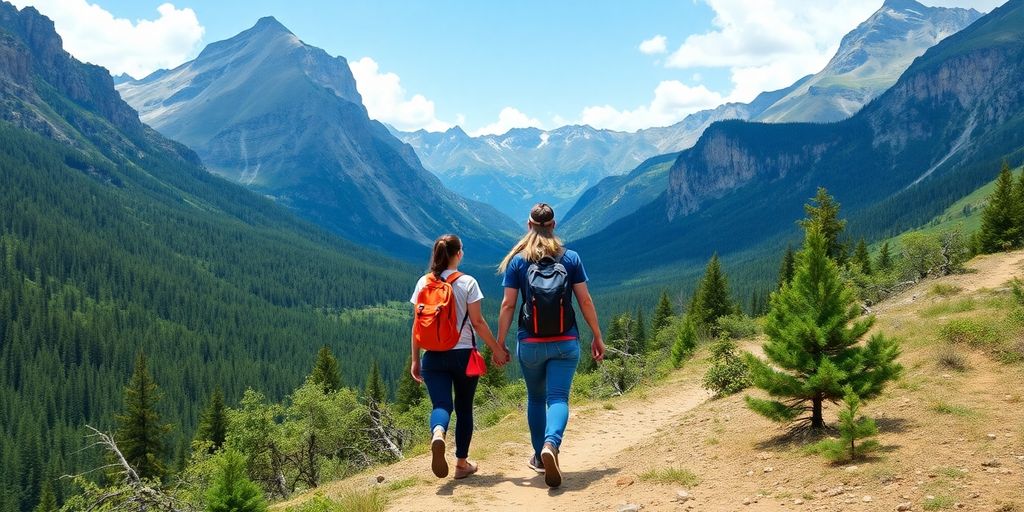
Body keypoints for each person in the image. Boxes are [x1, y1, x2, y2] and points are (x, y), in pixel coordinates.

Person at [497, 203, 605, 488]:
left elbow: (508, 304)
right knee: (557, 398)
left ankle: (537, 455)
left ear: (529, 225)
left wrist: (499, 343)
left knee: (535, 398)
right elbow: (585, 301)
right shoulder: (570, 258)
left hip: (530, 343)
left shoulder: (519, 261)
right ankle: (551, 445)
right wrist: (597, 335)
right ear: (554, 225)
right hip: (565, 341)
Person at [410, 234, 510, 480]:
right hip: (464, 356)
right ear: (458, 254)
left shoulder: (423, 283)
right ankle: (461, 464)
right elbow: (478, 322)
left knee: (442, 405)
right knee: (464, 409)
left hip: (432, 357)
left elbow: (417, 324)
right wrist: (497, 348)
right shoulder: (468, 282)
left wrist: (415, 359)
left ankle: (438, 433)